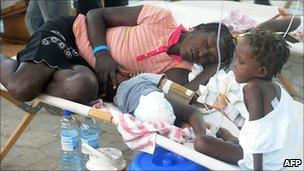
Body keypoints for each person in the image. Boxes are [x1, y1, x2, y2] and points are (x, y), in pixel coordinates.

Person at [0, 5, 235, 105]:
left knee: (83, 87)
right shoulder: (160, 18)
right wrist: (102, 53)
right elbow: (95, 15)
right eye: (206, 43)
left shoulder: (179, 68)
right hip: (71, 34)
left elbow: (182, 94)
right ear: (198, 28)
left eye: (208, 58)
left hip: (83, 69)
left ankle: (35, 67)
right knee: (22, 89)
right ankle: (27, 70)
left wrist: (211, 70)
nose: (202, 53)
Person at [193, 30, 301, 170]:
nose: (235, 66)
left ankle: (234, 142)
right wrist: (226, 108)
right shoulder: (277, 89)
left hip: (263, 161)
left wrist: (257, 168)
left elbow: (258, 132)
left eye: (241, 62)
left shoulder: (253, 89)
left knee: (200, 142)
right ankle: (235, 142)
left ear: (261, 71)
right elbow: (261, 125)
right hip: (284, 159)